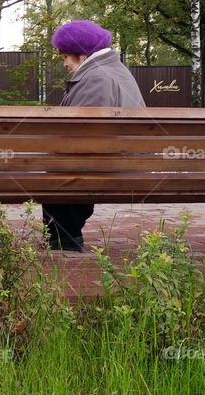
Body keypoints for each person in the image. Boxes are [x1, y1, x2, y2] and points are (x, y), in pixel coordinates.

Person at [44, 20, 146, 251]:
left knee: (57, 167)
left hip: (105, 165)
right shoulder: (113, 71)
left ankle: (64, 238)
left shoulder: (96, 78)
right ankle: (61, 235)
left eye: (65, 56)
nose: (64, 63)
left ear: (81, 53)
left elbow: (81, 138)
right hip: (121, 160)